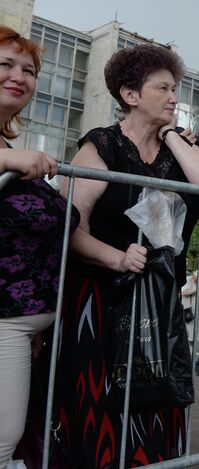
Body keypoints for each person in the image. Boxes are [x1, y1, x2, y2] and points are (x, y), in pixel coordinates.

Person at [54, 43, 199, 467]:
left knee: (159, 400)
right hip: (101, 300)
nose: (174, 98)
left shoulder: (175, 153)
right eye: (163, 88)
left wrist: (168, 134)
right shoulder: (102, 146)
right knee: (104, 408)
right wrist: (116, 257)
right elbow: (68, 224)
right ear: (130, 95)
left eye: (176, 89)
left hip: (158, 303)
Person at [0, 27, 80, 467]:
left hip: (25, 328)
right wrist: (8, 161)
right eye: (6, 65)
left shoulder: (9, 145)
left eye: (29, 70)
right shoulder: (10, 155)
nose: (20, 76)